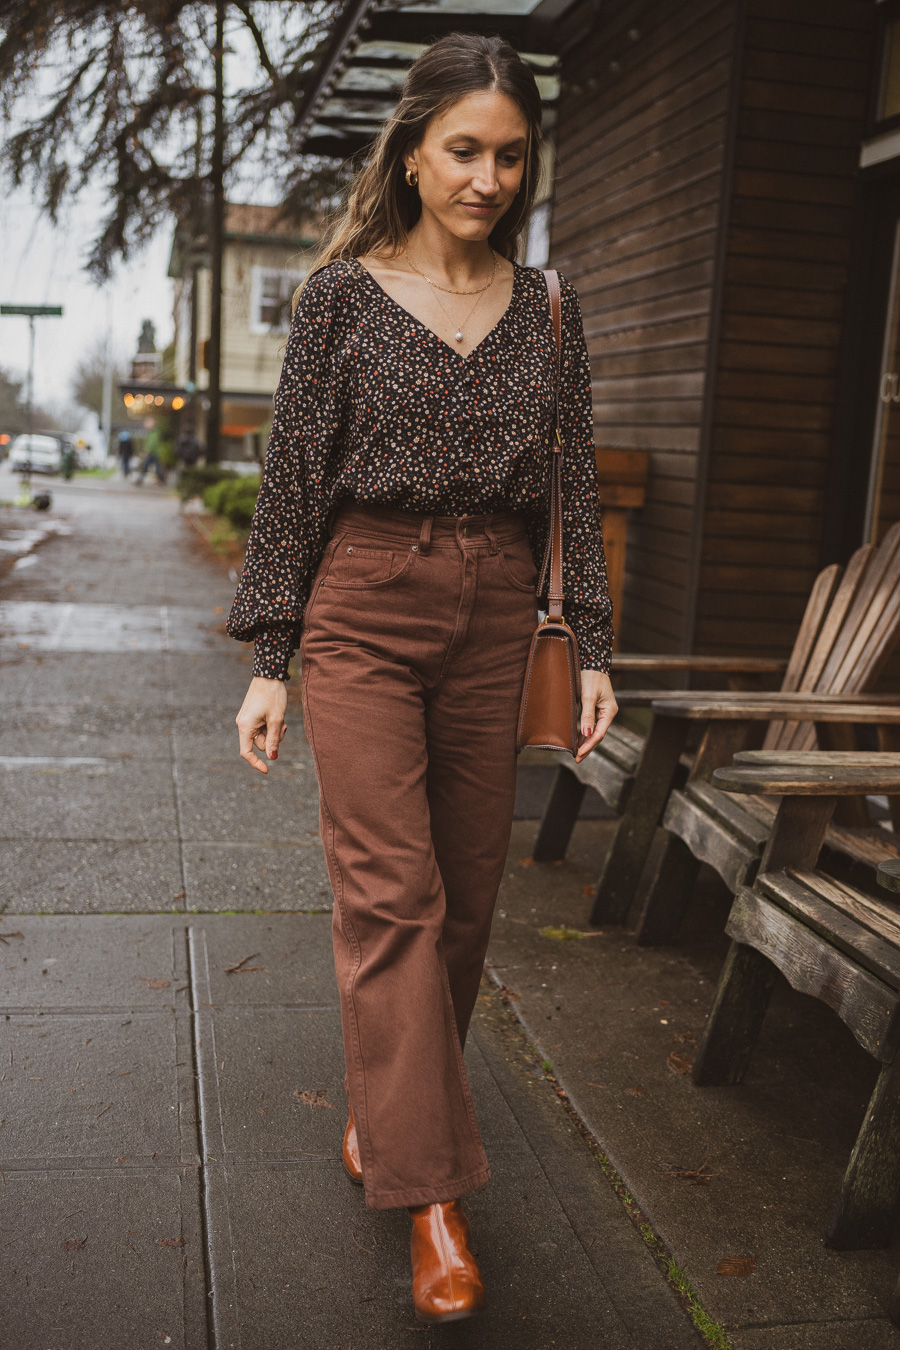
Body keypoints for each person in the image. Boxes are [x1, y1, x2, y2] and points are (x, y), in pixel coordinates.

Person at [227, 31, 617, 1325]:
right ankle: (432, 1196)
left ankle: (388, 1118)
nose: (489, 176)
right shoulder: (341, 298)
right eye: (465, 149)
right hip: (364, 606)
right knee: (391, 897)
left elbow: (574, 491)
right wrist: (270, 659)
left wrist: (595, 650)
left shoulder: (551, 306)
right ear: (410, 149)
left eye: (511, 155)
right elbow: (290, 486)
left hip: (498, 608)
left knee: (464, 902)